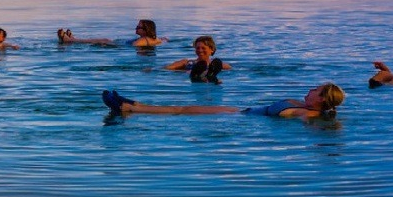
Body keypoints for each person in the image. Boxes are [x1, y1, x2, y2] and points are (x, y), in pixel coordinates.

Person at [102, 82, 345, 120]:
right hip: (243, 111)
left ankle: (129, 108)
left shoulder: (307, 114)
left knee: (182, 110)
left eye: (317, 89)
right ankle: (130, 104)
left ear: (321, 99)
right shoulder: (301, 105)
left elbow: (314, 125)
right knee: (181, 108)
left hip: (242, 118)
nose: (312, 88)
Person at [164, 35, 231, 83]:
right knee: (196, 75)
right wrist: (182, 71)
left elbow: (230, 69)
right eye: (197, 48)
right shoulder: (186, 62)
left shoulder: (217, 64)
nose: (200, 50)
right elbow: (167, 68)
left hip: (208, 73)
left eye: (203, 48)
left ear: (212, 49)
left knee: (214, 75)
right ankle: (204, 76)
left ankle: (211, 77)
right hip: (193, 76)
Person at [56, 19, 165, 47]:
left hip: (120, 46)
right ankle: (73, 40)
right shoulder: (156, 39)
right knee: (104, 40)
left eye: (138, 27)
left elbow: (134, 46)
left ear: (145, 30)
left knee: (104, 40)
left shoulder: (142, 40)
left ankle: (71, 40)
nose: (136, 28)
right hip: (122, 44)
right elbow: (164, 39)